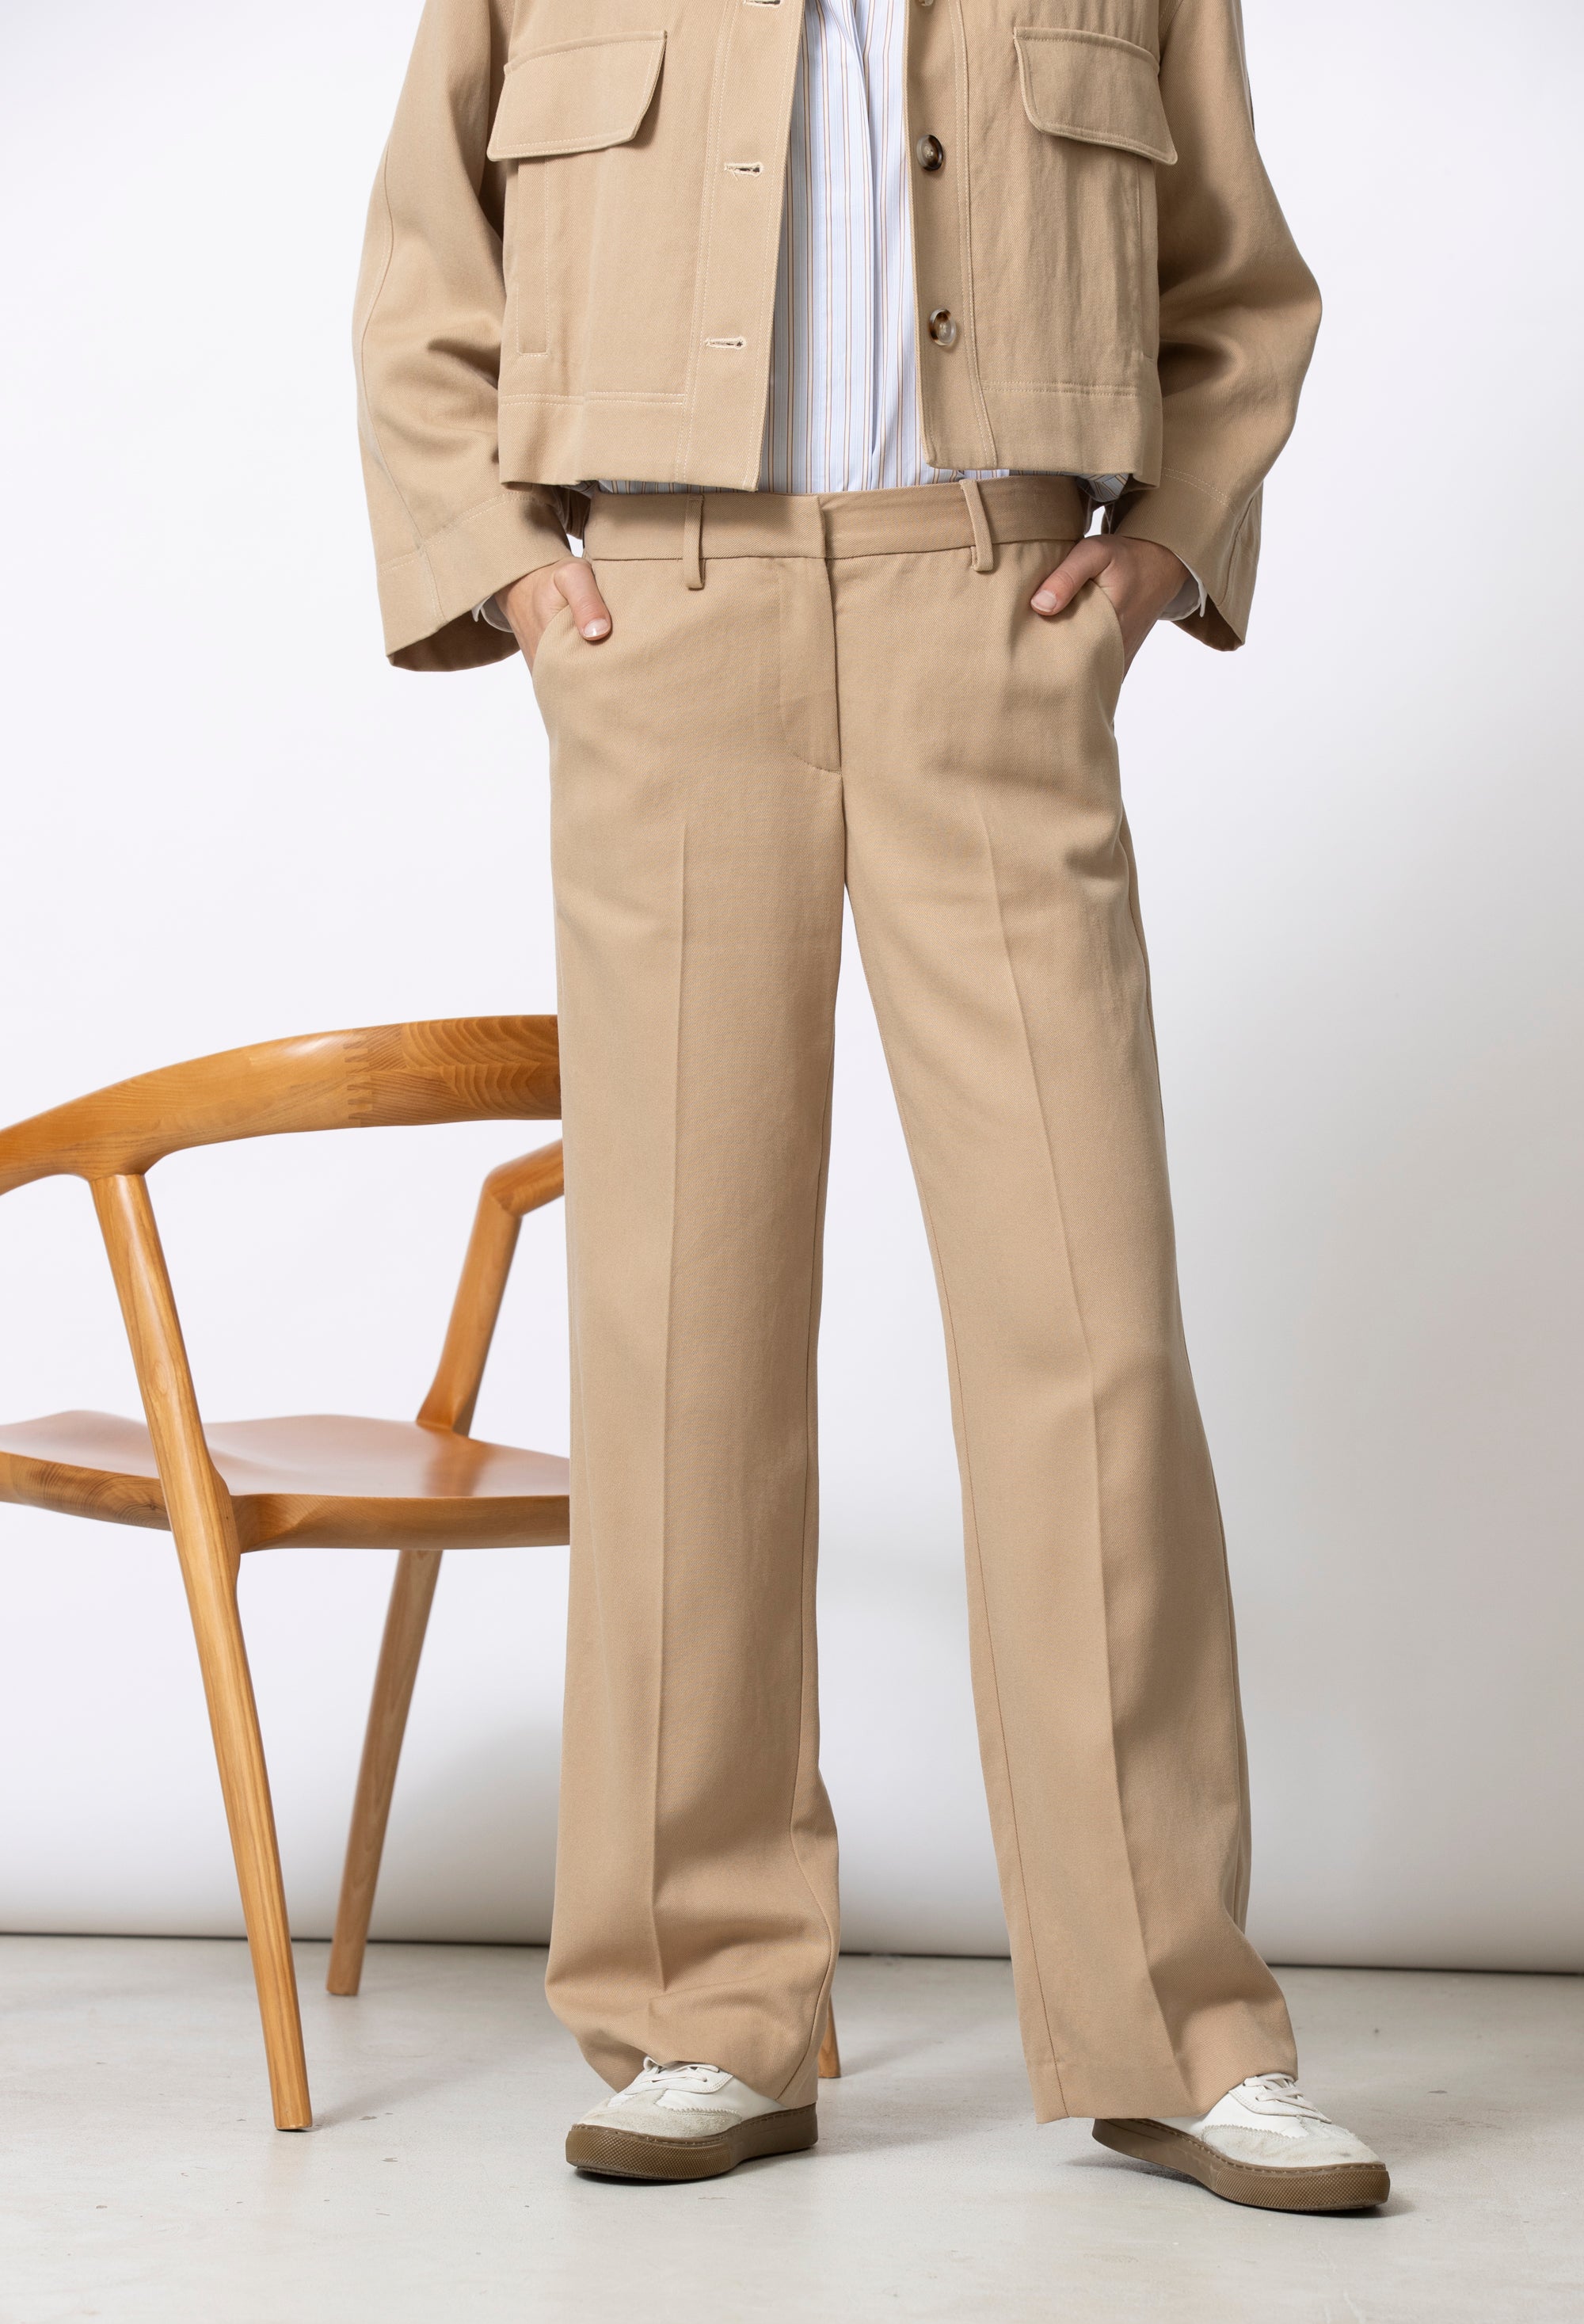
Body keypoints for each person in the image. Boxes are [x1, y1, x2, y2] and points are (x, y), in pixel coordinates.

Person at [354, 0, 1388, 2212]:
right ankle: (699, 2013)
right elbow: (428, 277)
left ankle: (1178, 2031)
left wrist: (1170, 539)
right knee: (680, 1333)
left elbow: (1237, 288)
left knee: (1088, 1336)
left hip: (994, 603)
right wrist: (513, 566)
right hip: (661, 614)